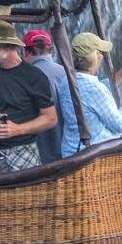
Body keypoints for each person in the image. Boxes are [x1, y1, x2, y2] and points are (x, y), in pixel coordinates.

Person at [0, 20, 59, 173]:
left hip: (22, 151)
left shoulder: (34, 76)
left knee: (23, 198)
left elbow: (51, 118)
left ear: (8, 46)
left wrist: (18, 129)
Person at [70, 31, 122, 145]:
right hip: (93, 154)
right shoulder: (95, 89)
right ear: (95, 57)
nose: (101, 55)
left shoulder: (67, 82)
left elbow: (94, 95)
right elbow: (119, 125)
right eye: (99, 52)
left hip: (71, 148)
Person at [22, 29, 78, 160]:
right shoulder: (70, 74)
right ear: (51, 50)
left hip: (39, 156)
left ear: (25, 51)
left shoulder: (23, 78)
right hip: (71, 153)